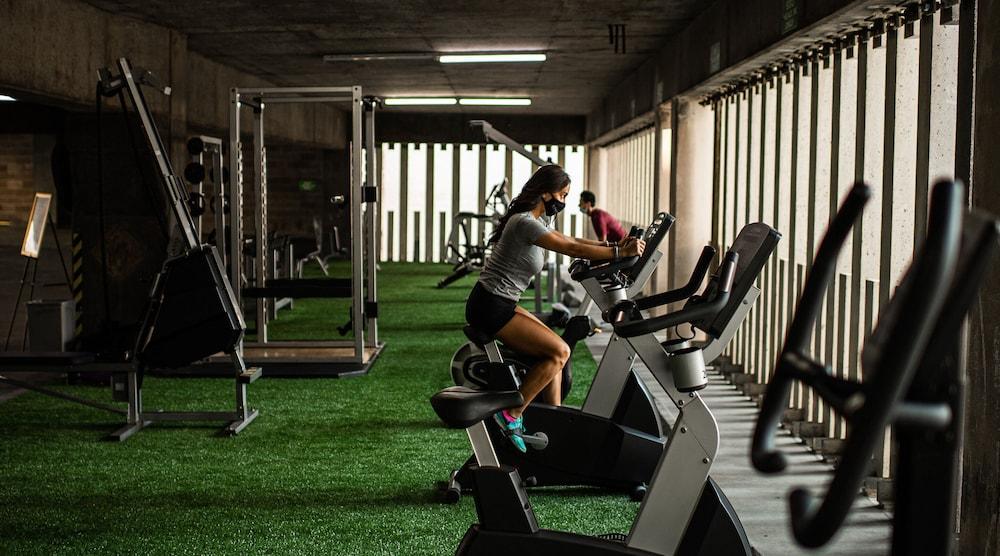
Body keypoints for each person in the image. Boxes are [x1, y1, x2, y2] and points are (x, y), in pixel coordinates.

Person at [465, 165, 645, 452]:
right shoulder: (525, 223)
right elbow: (570, 248)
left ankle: (554, 422)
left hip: (500, 301)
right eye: (562, 194)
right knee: (560, 352)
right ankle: (511, 414)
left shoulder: (538, 220)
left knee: (558, 351)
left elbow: (574, 241)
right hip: (490, 305)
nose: (563, 201)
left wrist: (613, 245)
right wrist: (618, 253)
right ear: (545, 193)